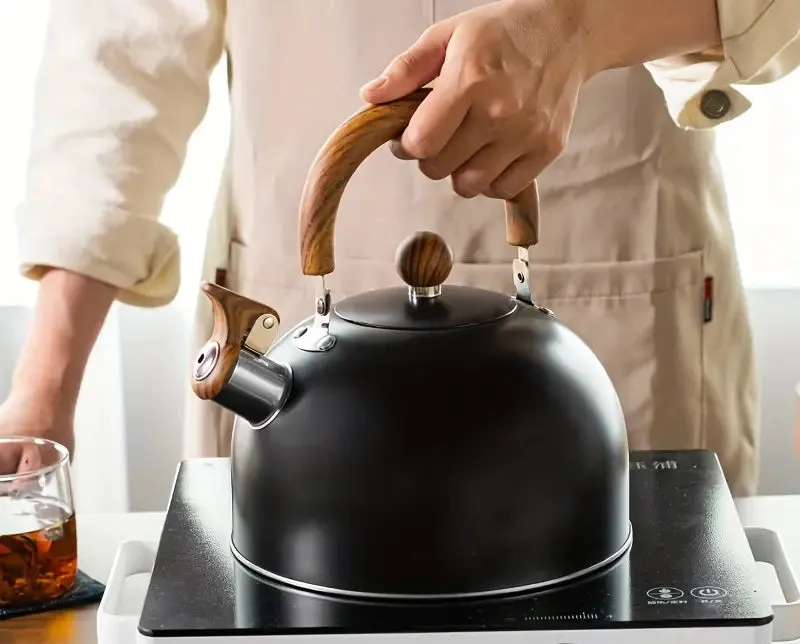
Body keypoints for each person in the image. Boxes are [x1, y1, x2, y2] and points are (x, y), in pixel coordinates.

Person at [1, 0, 799, 496]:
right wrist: (42, 394)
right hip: (294, 304)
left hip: (622, 283)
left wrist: (579, 24)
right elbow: (120, 55)